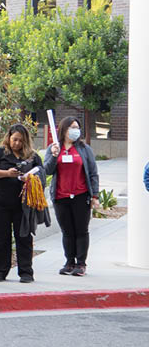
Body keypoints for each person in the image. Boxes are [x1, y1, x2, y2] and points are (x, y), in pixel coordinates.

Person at [0, 124, 45, 283]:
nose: (17, 143)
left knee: (24, 236)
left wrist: (31, 179)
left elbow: (42, 172)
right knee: (0, 236)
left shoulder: (32, 156)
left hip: (22, 204)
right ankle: (1, 270)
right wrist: (7, 173)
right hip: (0, 202)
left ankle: (26, 271)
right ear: (8, 138)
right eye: (14, 139)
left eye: (21, 141)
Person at [43, 117, 100, 277]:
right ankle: (69, 262)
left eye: (77, 127)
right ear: (64, 129)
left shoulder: (84, 149)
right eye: (72, 127)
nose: (76, 130)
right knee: (67, 231)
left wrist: (94, 195)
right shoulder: (54, 148)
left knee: (81, 231)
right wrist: (54, 155)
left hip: (81, 196)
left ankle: (81, 264)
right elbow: (47, 170)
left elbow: (93, 173)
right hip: (61, 196)